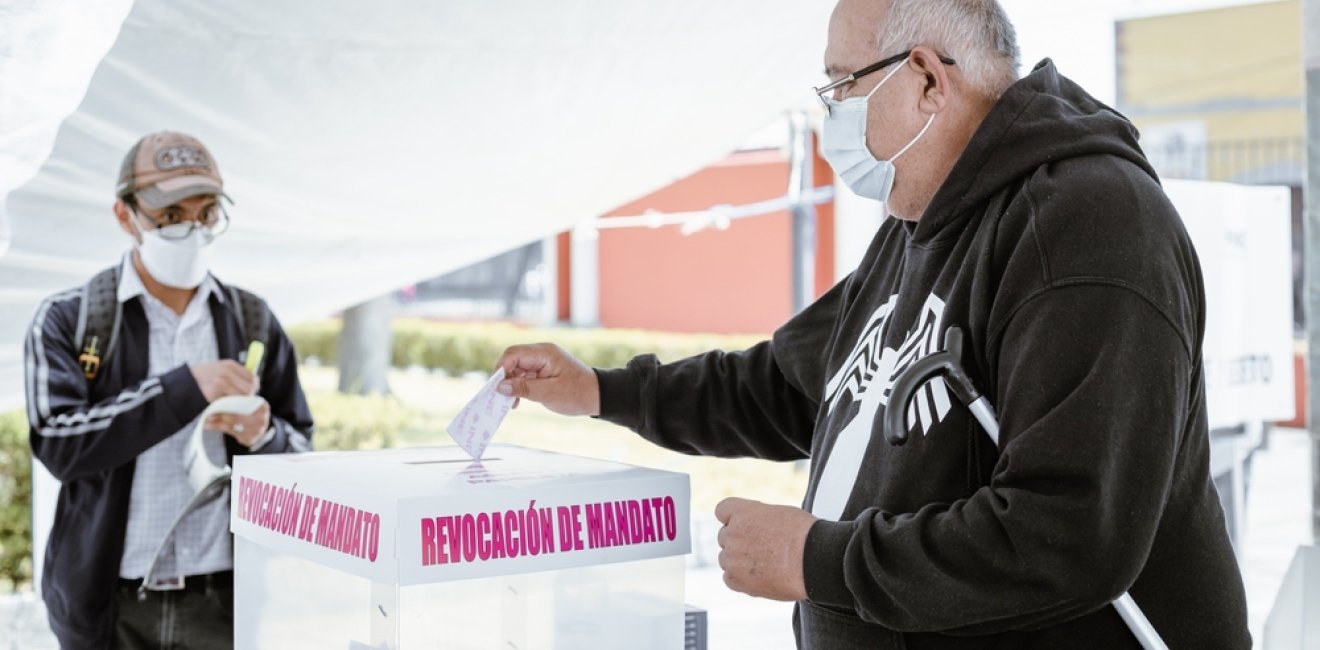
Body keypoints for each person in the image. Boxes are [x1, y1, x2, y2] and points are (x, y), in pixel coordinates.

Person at [495, 0, 1251, 647]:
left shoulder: (1087, 226)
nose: (831, 115)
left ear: (925, 77)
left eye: (840, 86)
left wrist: (819, 563)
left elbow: (1066, 535)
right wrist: (599, 390)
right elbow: (785, 388)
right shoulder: (918, 225)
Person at [24, 131, 314, 649]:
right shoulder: (72, 319)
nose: (193, 231)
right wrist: (182, 387)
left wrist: (263, 436)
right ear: (125, 215)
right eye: (171, 215)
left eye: (206, 214)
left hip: (221, 600)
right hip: (108, 602)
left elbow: (303, 453)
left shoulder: (252, 321)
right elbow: (58, 443)